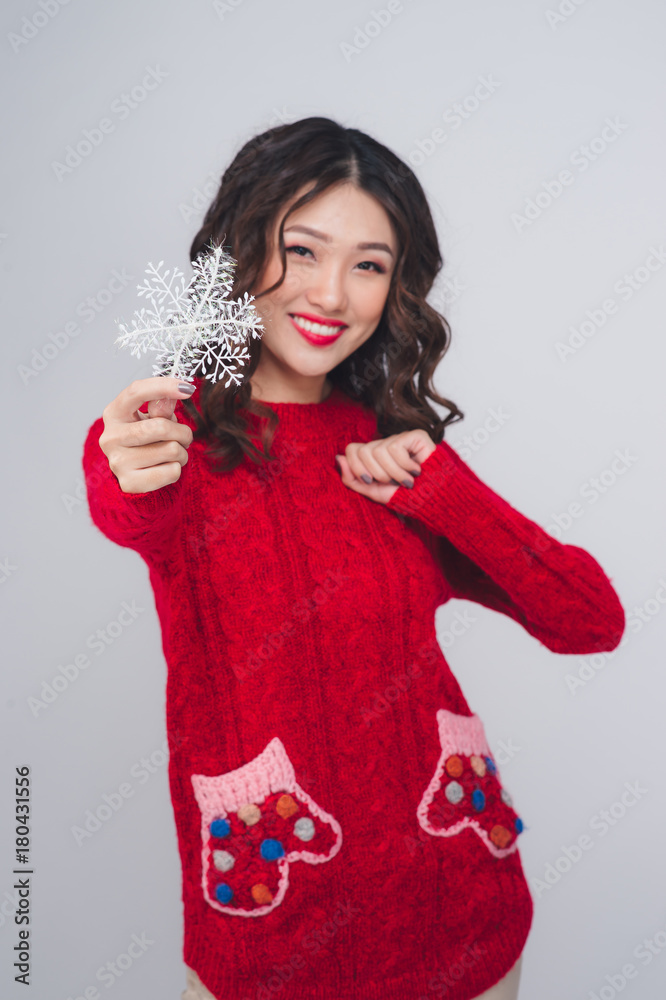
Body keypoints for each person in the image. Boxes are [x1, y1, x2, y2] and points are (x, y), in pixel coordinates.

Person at [82, 117, 625, 1000]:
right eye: (301, 250)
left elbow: (590, 621)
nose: (332, 292)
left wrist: (443, 490)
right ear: (242, 248)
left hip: (463, 919)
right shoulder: (167, 439)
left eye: (368, 264)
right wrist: (123, 469)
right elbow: (128, 508)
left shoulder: (392, 449)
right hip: (272, 937)